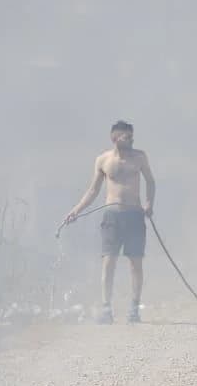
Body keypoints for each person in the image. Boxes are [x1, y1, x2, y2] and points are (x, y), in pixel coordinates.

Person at [63, 120, 156, 324]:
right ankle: (106, 309)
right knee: (108, 262)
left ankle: (134, 309)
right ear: (114, 138)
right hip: (112, 217)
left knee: (135, 263)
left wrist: (149, 203)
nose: (130, 139)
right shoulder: (103, 160)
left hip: (134, 215)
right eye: (126, 136)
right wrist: (76, 211)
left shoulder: (139, 157)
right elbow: (93, 190)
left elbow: (150, 181)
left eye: (131, 136)